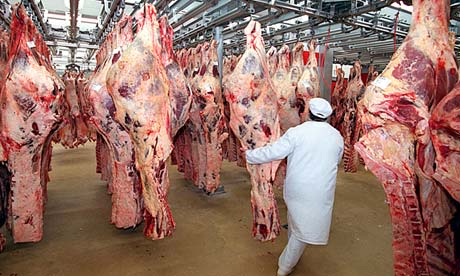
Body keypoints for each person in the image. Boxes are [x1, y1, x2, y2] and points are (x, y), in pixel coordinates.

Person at [244, 97, 344, 276]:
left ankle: (285, 266)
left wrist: (251, 155)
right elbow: (336, 160)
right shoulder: (336, 136)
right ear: (327, 117)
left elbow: (274, 152)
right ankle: (288, 263)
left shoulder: (297, 132)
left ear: (308, 113)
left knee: (300, 229)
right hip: (321, 188)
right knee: (298, 223)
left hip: (298, 187)